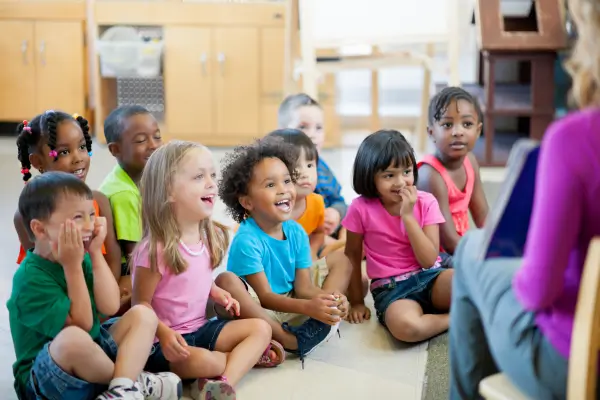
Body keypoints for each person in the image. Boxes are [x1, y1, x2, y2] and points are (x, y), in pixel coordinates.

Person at [448, 0, 600, 397]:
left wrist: (527, 262)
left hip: (575, 364)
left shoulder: (575, 139)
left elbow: (538, 291)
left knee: (471, 250)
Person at [7, 171, 182, 400]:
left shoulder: (81, 254)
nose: (90, 225)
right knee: (72, 339)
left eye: (92, 214)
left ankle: (121, 389)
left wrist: (95, 255)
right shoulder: (29, 279)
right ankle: (133, 382)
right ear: (40, 229)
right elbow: (81, 326)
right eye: (78, 218)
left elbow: (109, 306)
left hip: (93, 357)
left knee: (143, 315)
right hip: (47, 380)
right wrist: (72, 268)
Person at [131, 141, 277, 400]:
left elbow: (196, 278)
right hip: (164, 341)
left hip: (201, 327)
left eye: (213, 175)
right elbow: (140, 305)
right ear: (169, 191)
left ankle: (221, 384)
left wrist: (216, 292)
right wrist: (164, 335)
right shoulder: (155, 249)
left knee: (261, 329)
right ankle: (237, 362)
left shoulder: (207, 237)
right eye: (199, 177)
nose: (211, 183)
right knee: (203, 362)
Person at [215, 137, 352, 368]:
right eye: (270, 185)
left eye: (287, 181)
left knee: (343, 258)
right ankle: (286, 339)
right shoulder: (247, 240)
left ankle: (324, 315)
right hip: (260, 310)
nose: (284, 190)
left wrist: (328, 301)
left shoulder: (296, 231)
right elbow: (266, 298)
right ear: (247, 202)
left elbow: (303, 287)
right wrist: (308, 307)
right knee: (225, 281)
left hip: (290, 300)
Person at [343, 130, 452, 343]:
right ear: (369, 176)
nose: (401, 182)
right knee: (407, 328)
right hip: (391, 289)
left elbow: (429, 260)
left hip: (430, 276)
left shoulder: (426, 201)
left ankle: (444, 312)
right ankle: (453, 319)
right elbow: (352, 256)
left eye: (407, 172)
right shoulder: (359, 208)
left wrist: (408, 217)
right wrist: (356, 301)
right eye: (389, 175)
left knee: (467, 284)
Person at [14, 111, 122, 288]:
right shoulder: (26, 214)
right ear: (37, 162)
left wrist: (102, 304)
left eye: (82, 147)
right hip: (59, 302)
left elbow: (113, 263)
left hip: (102, 299)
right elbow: (40, 274)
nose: (78, 157)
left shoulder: (99, 201)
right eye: (64, 152)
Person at [417, 87, 489, 257]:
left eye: (467, 124)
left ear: (478, 131)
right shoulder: (430, 175)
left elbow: (482, 215)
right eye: (447, 125)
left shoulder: (470, 161)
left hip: (458, 247)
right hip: (434, 256)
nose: (458, 132)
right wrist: (480, 258)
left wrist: (498, 245)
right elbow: (448, 240)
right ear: (432, 133)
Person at [99, 105, 163, 284]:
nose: (153, 145)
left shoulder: (138, 176)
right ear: (115, 150)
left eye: (157, 136)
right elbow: (135, 256)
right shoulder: (123, 194)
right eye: (141, 140)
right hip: (128, 270)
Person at [278, 93, 347, 242]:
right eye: (303, 127)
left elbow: (340, 201)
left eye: (319, 128)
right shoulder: (277, 170)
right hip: (299, 235)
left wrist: (335, 213)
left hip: (325, 229)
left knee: (357, 222)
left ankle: (344, 247)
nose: (312, 135)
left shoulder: (322, 168)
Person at [266, 129, 326, 258]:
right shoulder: (265, 206)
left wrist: (312, 252)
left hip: (300, 262)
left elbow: (318, 233)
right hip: (268, 265)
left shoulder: (317, 203)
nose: (305, 174)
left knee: (341, 260)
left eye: (310, 165)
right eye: (295, 167)